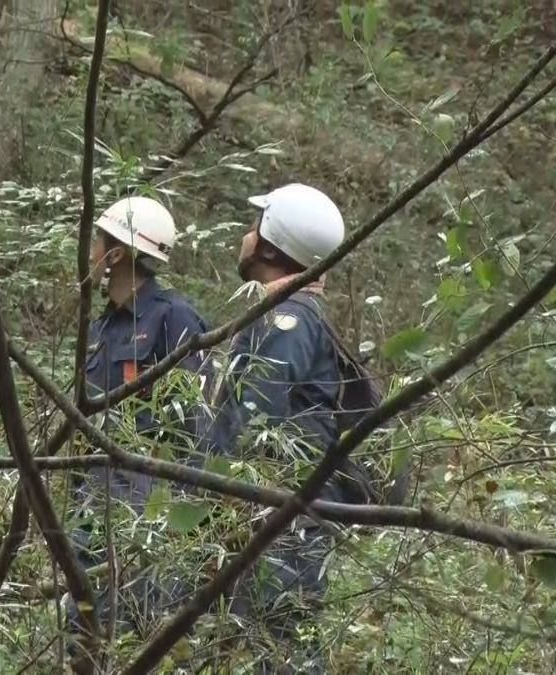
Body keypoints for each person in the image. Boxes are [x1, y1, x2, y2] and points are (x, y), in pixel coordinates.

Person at [199, 182, 409, 673]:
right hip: (282, 510)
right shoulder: (294, 315)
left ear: (271, 245)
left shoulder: (287, 320)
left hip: (282, 515)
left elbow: (253, 419)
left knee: (280, 642)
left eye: (255, 226)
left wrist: (210, 490)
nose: (246, 236)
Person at [64, 195, 210, 657]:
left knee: (135, 626)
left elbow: (195, 423)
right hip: (91, 492)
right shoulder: (101, 326)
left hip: (146, 501)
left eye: (98, 241)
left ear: (118, 253)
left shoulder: (175, 319)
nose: (89, 252)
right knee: (83, 629)